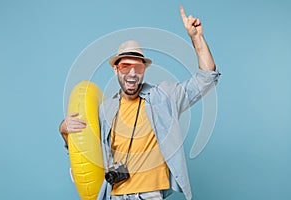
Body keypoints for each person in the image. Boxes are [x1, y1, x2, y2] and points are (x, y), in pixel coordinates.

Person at [59, 6, 220, 200]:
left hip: (150, 195)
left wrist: (197, 37)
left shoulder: (165, 97)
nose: (132, 73)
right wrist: (64, 131)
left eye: (138, 66)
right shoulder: (105, 109)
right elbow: (86, 150)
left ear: (144, 69)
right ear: (116, 70)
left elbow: (207, 78)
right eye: (125, 67)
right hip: (115, 195)